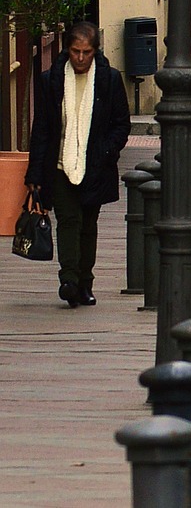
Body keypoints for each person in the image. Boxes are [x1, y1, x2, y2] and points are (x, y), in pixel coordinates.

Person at [25, 22, 130, 308]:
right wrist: (34, 173)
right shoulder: (51, 80)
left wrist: (105, 151)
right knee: (68, 221)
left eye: (86, 52)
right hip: (59, 165)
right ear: (67, 50)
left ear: (95, 51)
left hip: (95, 165)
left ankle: (85, 283)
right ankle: (68, 280)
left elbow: (121, 125)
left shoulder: (109, 79)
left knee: (88, 225)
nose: (81, 58)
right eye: (75, 51)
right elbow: (43, 130)